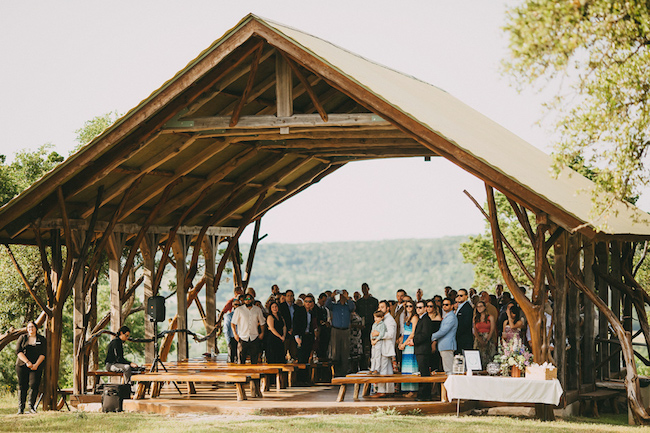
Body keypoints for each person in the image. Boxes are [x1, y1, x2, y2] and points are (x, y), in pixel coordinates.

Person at [15, 321, 46, 414]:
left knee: (34, 385)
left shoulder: (41, 339)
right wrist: (27, 362)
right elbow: (18, 351)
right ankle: (21, 409)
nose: (30, 329)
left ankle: (31, 407)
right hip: (22, 365)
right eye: (28, 327)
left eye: (32, 327)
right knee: (22, 385)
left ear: (36, 328)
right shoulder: (22, 338)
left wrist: (36, 364)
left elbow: (43, 353)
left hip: (36, 366)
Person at [325, 290, 355, 376]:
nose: (342, 297)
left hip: (345, 330)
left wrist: (348, 298)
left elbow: (352, 307)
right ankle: (336, 372)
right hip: (336, 330)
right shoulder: (334, 306)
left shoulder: (348, 307)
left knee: (345, 352)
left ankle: (344, 372)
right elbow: (327, 304)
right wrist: (332, 296)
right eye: (341, 295)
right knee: (335, 352)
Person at [231, 293, 266, 364]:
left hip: (254, 337)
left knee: (255, 360)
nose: (248, 300)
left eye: (249, 299)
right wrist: (235, 334)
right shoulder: (239, 310)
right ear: (243, 301)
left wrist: (262, 333)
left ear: (252, 299)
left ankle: (254, 374)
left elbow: (262, 323)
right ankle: (242, 375)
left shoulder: (257, 309)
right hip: (242, 337)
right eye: (246, 299)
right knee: (241, 360)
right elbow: (233, 323)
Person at [372, 300, 397, 397]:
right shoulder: (382, 319)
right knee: (388, 369)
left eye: (382, 307)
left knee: (383, 369)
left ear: (388, 308)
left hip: (386, 346)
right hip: (382, 346)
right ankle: (389, 390)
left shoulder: (389, 320)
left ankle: (382, 391)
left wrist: (378, 334)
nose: (380, 309)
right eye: (379, 307)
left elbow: (390, 334)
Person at [413, 301, 435, 401]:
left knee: (424, 373)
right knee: (423, 372)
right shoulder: (421, 319)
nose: (418, 309)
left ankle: (425, 395)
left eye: (420, 307)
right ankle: (423, 395)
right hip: (420, 350)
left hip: (423, 350)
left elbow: (425, 335)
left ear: (425, 308)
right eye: (417, 307)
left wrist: (414, 340)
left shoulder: (426, 320)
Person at [430, 298, 458, 374]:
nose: (444, 306)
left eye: (447, 304)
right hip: (444, 346)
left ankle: (451, 385)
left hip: (447, 345)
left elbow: (443, 331)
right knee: (447, 369)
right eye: (443, 304)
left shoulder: (451, 317)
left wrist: (430, 337)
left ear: (452, 306)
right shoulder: (447, 316)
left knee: (449, 370)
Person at [355, 283, 379, 370]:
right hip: (362, 326)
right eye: (362, 289)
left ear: (368, 289)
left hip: (372, 326)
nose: (364, 290)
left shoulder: (374, 301)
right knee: (361, 346)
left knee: (373, 345)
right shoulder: (359, 302)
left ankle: (373, 363)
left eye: (365, 288)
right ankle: (363, 366)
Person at [398, 300, 419, 397]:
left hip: (410, 343)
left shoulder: (414, 317)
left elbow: (413, 333)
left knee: (411, 365)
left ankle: (413, 390)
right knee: (406, 365)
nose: (409, 308)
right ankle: (407, 388)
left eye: (411, 306)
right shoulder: (407, 317)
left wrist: (404, 344)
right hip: (405, 341)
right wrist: (401, 342)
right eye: (407, 306)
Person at [279, 290, 304, 361]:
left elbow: (298, 320)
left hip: (294, 333)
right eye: (288, 296)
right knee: (283, 352)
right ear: (285, 297)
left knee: (294, 353)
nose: (290, 297)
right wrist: (287, 330)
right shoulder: (281, 306)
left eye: (291, 296)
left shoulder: (297, 307)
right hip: (285, 333)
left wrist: (294, 329)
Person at [473, 301, 496, 367]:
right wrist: (479, 339)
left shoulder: (490, 317)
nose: (479, 308)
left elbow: (492, 329)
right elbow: (474, 330)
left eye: (481, 306)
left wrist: (487, 340)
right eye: (477, 307)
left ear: (485, 307)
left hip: (488, 337)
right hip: (478, 338)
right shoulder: (475, 318)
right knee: (479, 356)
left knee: (489, 356)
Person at [455, 289, 474, 353]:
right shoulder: (458, 307)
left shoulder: (468, 308)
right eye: (457, 295)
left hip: (464, 339)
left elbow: (466, 324)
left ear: (466, 296)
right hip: (459, 339)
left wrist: (455, 333)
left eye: (461, 295)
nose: (459, 297)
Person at [223, 297, 242, 363]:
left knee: (240, 358)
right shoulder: (229, 316)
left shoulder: (243, 315)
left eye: (239, 305)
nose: (237, 306)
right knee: (231, 358)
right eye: (236, 304)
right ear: (233, 305)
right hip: (232, 338)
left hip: (241, 338)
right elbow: (226, 329)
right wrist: (228, 341)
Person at [426, 300, 443, 372]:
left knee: (434, 363)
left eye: (431, 306)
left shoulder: (437, 317)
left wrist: (434, 343)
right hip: (425, 342)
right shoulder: (424, 317)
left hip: (434, 342)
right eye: (427, 306)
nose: (429, 308)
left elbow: (437, 331)